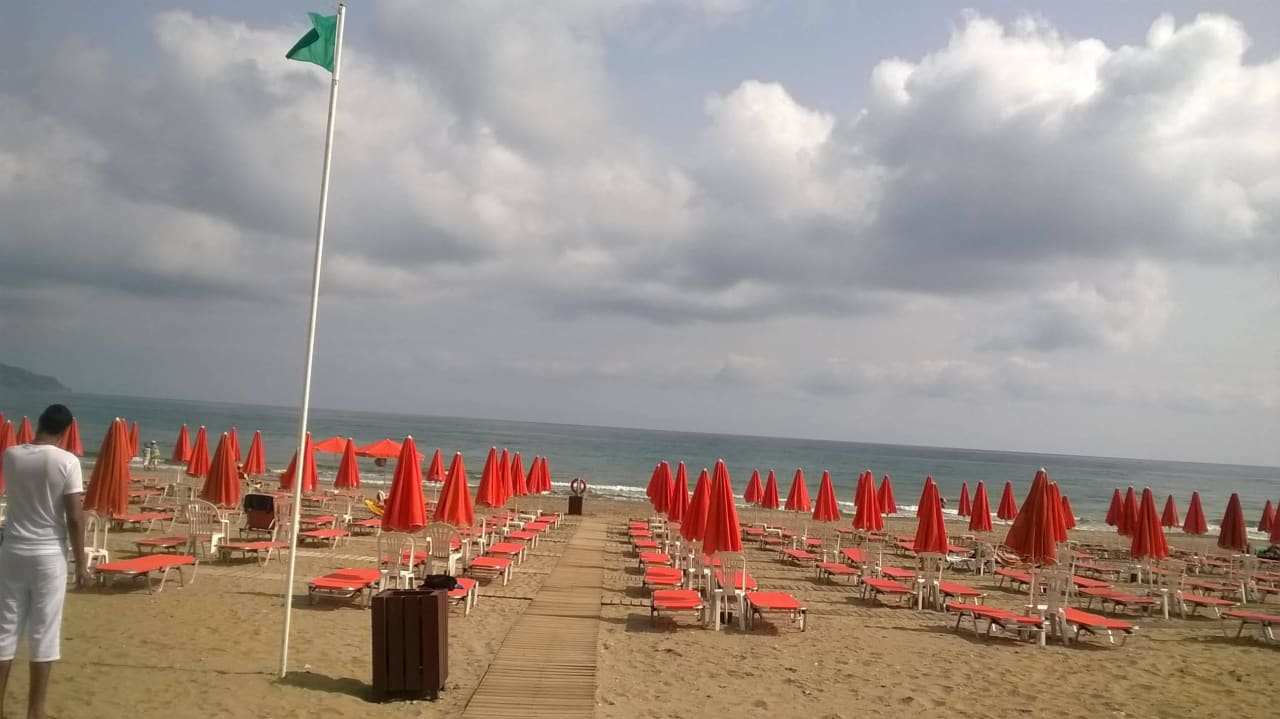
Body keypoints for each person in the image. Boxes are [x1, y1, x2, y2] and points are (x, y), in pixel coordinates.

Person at [0, 404, 89, 719]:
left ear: (39, 423)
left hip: (12, 549)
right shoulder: (67, 462)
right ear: (66, 431)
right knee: (44, 632)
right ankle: (35, 711)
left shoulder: (11, 455)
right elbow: (74, 518)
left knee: (6, 629)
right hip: (48, 553)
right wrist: (81, 562)